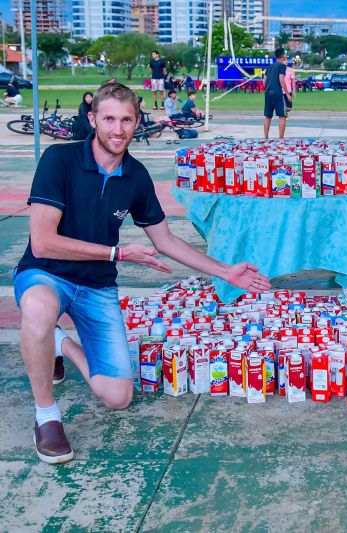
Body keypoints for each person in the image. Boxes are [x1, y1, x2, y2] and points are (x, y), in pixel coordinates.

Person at [14, 82, 271, 464]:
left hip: (96, 285)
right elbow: (43, 243)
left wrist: (225, 272)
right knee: (38, 309)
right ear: (93, 120)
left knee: (118, 398)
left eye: (126, 120)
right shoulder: (59, 159)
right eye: (109, 119)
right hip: (46, 273)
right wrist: (117, 252)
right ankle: (47, 416)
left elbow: (165, 240)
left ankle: (59, 344)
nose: (117, 129)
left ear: (137, 122)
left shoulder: (136, 176)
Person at [263, 48, 292, 139]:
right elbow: (281, 79)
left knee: (268, 116)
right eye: (285, 54)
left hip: (268, 93)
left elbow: (264, 80)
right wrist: (287, 93)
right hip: (277, 93)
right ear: (282, 55)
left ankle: (266, 138)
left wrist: (267, 89)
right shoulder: (282, 66)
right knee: (282, 116)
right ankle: (281, 139)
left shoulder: (270, 66)